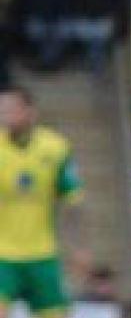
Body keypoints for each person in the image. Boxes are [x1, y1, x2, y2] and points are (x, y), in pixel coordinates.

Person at [0, 88, 81, 318]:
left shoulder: (56, 148)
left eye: (10, 109)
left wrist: (78, 248)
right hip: (2, 255)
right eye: (0, 110)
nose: (3, 115)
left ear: (30, 113)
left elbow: (72, 201)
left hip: (43, 254)